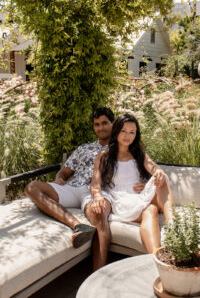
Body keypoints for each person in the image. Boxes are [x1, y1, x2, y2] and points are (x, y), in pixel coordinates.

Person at [85, 113, 174, 269]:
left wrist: (158, 172)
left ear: (136, 134)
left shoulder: (139, 154)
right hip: (120, 199)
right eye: (124, 131)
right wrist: (98, 196)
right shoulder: (104, 156)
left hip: (138, 197)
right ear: (117, 131)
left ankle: (169, 232)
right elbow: (95, 183)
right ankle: (158, 261)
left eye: (132, 132)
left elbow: (153, 168)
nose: (127, 136)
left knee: (162, 179)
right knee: (151, 209)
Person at [25, 107, 115, 248]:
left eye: (104, 123)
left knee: (99, 214)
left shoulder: (121, 149)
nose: (100, 128)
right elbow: (65, 172)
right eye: (97, 124)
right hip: (72, 188)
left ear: (113, 124)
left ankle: (101, 270)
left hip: (96, 191)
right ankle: (77, 225)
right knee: (32, 187)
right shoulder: (84, 148)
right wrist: (59, 177)